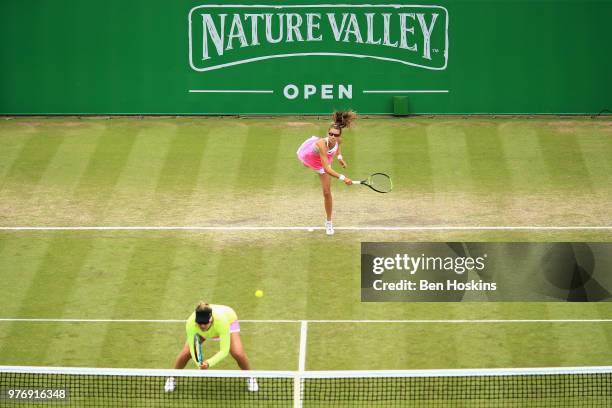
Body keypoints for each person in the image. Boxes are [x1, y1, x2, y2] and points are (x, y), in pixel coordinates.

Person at [164, 302, 258, 392]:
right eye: (200, 323)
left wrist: (209, 363)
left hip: (229, 320)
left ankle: (250, 377)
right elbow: (193, 347)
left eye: (205, 323)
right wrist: (199, 364)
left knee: (237, 353)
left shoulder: (222, 322)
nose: (202, 326)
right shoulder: (191, 323)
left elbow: (224, 350)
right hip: (206, 332)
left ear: (210, 319)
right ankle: (172, 377)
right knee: (186, 351)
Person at [297, 111, 356, 235]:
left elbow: (338, 149)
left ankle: (328, 223)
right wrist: (343, 178)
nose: (332, 137)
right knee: (305, 163)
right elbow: (328, 170)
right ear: (327, 133)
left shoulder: (338, 141)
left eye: (335, 135)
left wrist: (340, 159)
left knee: (327, 193)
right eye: (330, 134)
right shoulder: (322, 144)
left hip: (323, 161)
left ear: (339, 136)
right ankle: (306, 163)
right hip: (311, 157)